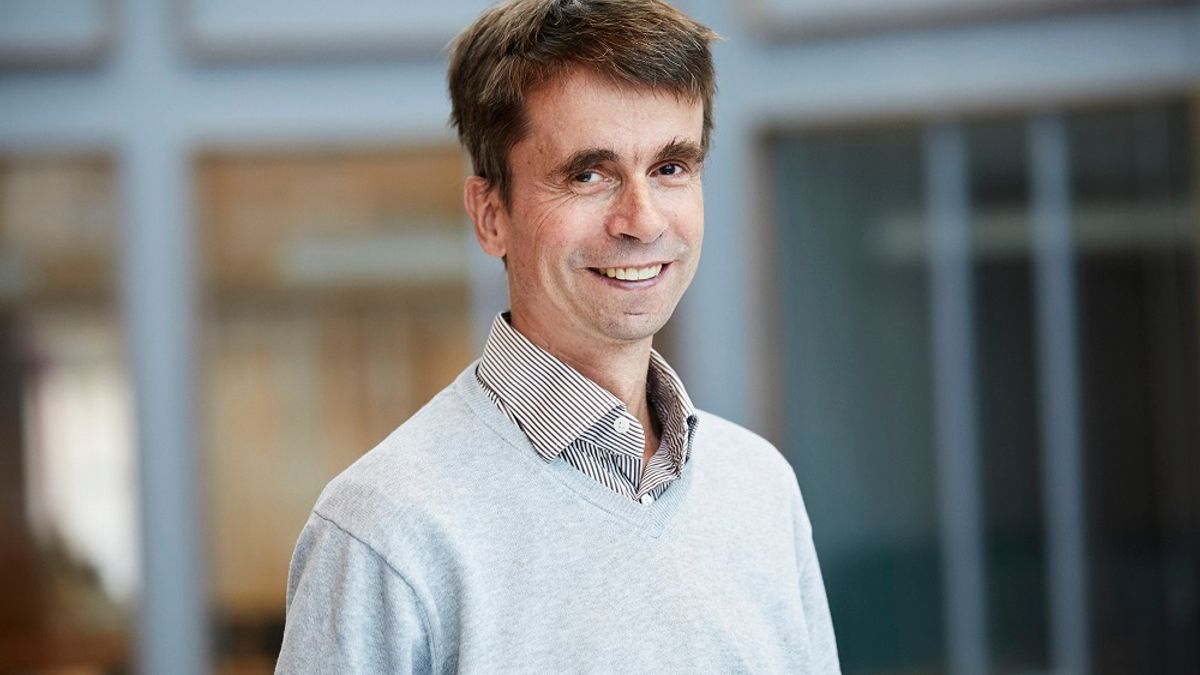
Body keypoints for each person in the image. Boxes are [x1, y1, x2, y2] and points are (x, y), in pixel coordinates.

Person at [275, 0, 840, 672]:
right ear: (491, 216)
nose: (642, 219)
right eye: (588, 174)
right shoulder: (385, 530)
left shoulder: (760, 490)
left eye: (670, 167)